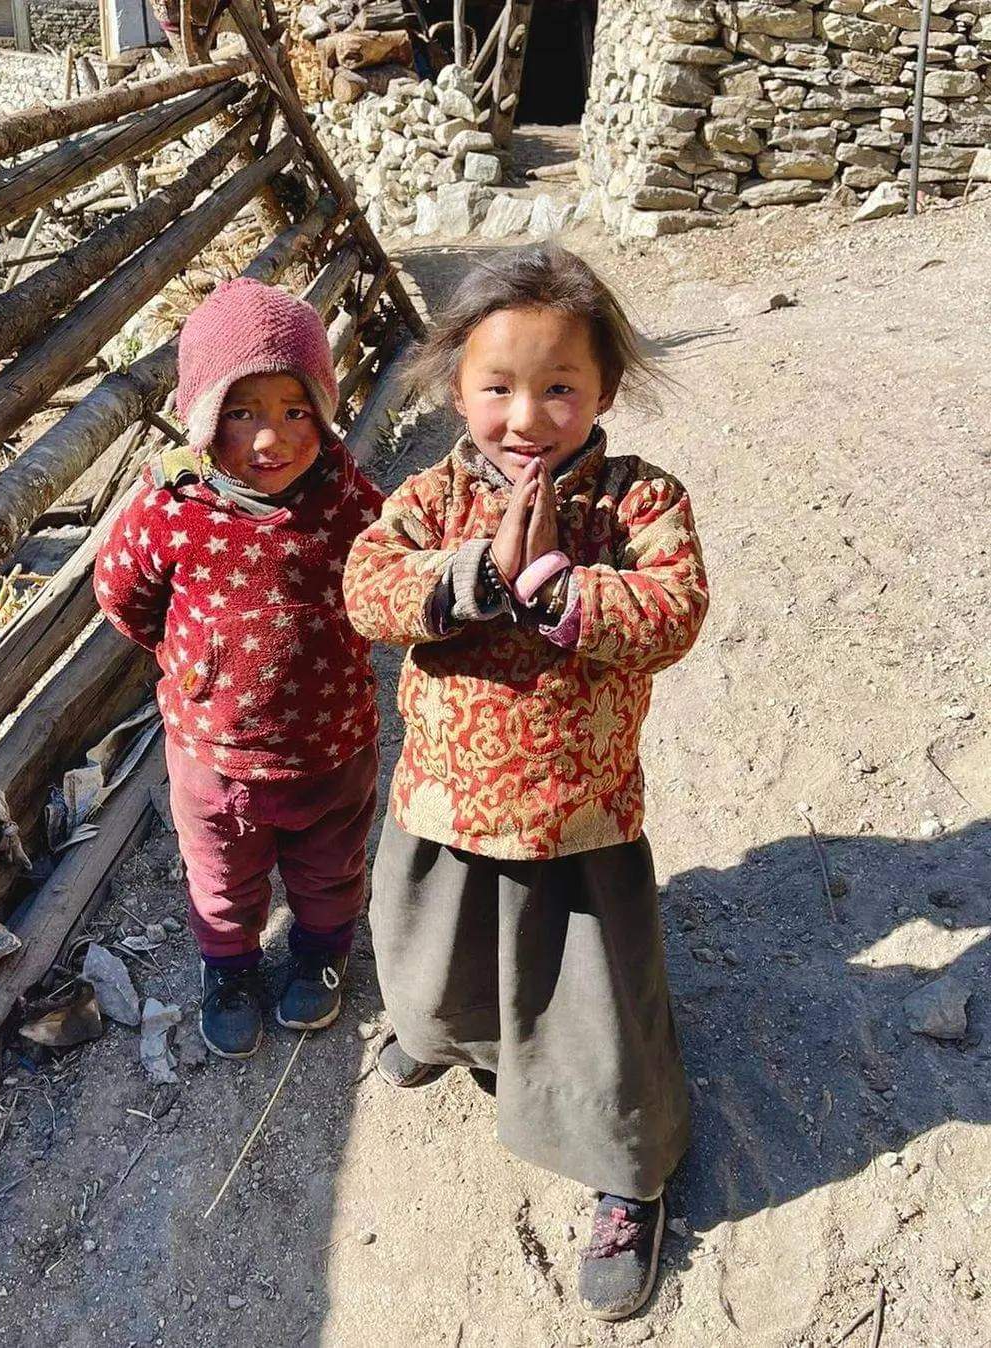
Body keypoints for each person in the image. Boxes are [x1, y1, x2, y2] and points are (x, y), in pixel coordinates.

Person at [343, 243, 709, 1321]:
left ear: (605, 390)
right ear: (456, 385)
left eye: (560, 388)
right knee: (437, 955)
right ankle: (450, 1033)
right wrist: (479, 575)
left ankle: (627, 1174)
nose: (527, 417)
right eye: (498, 387)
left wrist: (556, 586)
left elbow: (674, 611)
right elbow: (369, 587)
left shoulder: (640, 502)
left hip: (575, 812)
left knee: (597, 1011)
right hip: (450, 798)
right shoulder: (429, 498)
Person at [95, 278, 383, 1059]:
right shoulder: (172, 508)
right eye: (243, 412)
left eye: (296, 411)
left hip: (332, 748)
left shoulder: (351, 501)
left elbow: (392, 579)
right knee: (222, 876)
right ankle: (228, 971)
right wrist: (193, 665)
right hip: (212, 755)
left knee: (330, 869)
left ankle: (320, 956)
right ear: (203, 416)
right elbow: (122, 593)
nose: (271, 439)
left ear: (323, 411)